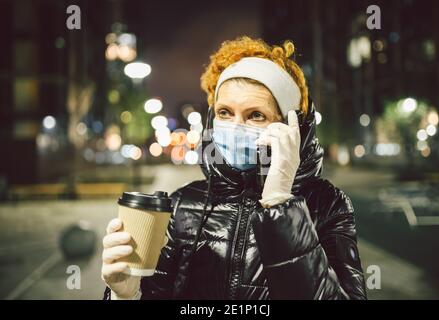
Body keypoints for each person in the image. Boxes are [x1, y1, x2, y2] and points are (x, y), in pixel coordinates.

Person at [101, 36, 367, 300]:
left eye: (256, 115)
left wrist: (282, 208)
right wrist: (125, 296)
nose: (235, 126)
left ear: (291, 128)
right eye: (225, 112)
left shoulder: (328, 206)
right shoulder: (181, 205)